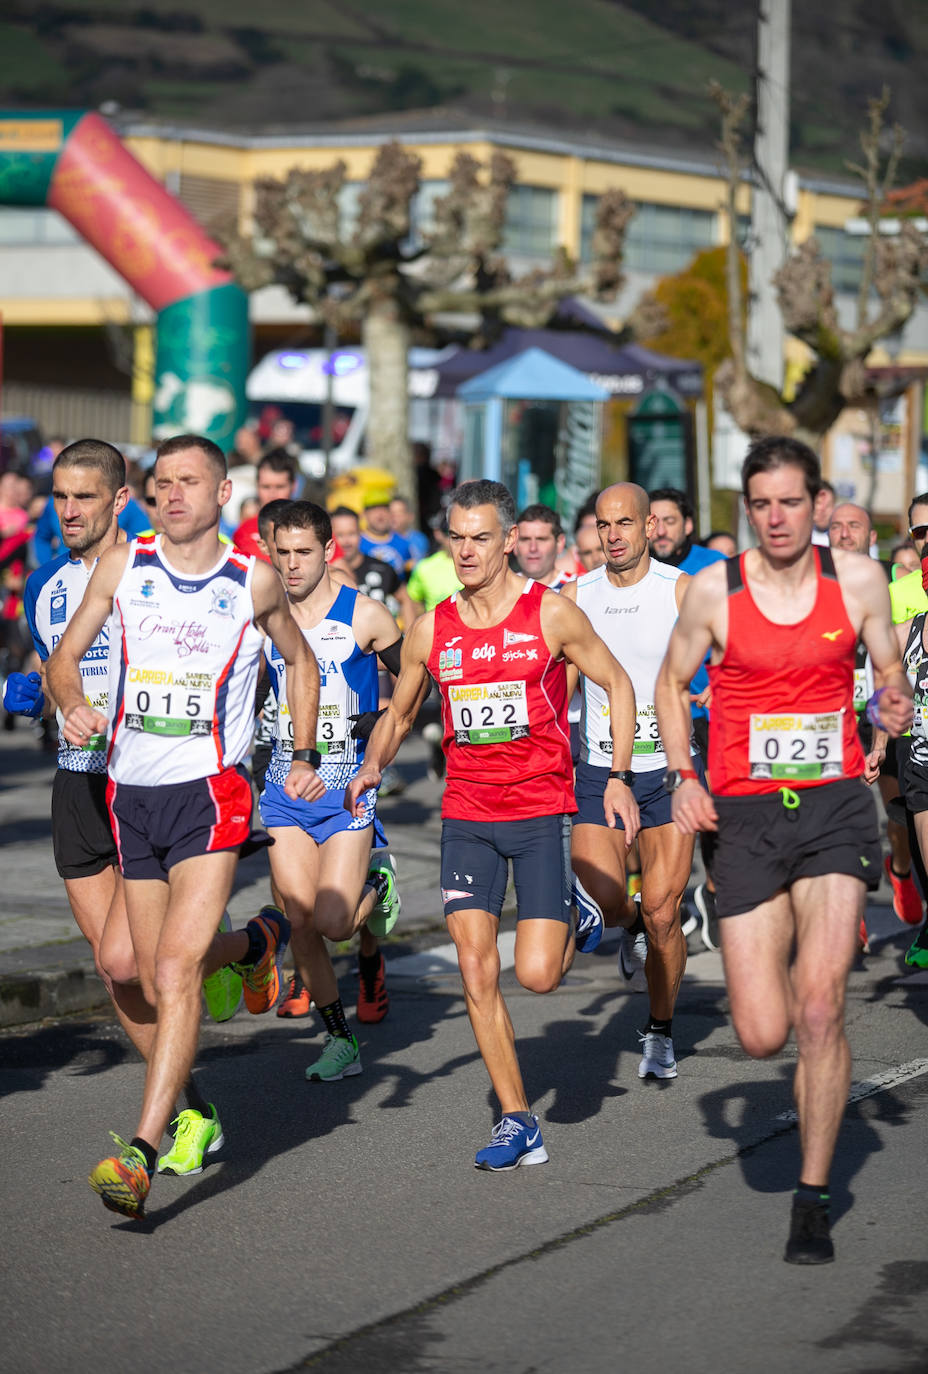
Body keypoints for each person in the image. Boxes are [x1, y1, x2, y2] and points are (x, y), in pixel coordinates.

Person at [47, 433, 326, 1221]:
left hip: (211, 795)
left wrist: (301, 752)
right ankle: (262, 942)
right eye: (162, 482)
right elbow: (63, 660)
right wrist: (72, 704)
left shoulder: (252, 582)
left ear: (223, 492)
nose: (173, 495)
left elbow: (300, 663)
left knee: (173, 973)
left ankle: (142, 1149)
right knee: (131, 967)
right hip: (131, 794)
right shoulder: (123, 567)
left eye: (188, 482)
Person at [655, 434, 911, 1265]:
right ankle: (791, 1051)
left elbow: (886, 669)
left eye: (791, 502)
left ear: (819, 504)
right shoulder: (712, 593)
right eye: (761, 503)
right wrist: (683, 774)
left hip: (835, 806)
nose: (776, 517)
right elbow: (669, 681)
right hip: (747, 815)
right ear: (747, 507)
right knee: (764, 1033)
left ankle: (811, 1194)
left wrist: (894, 702)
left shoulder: (861, 580)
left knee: (821, 1005)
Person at [346, 478, 640, 1170]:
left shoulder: (552, 615)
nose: (467, 550)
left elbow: (619, 682)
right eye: (457, 537)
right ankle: (516, 1118)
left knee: (537, 975)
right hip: (468, 816)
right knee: (477, 967)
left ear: (510, 541)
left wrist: (620, 774)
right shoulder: (432, 627)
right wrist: (370, 767)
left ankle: (583, 914)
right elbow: (400, 711)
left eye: (481, 537)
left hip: (540, 813)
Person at [7, 438, 253, 1170]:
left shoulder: (164, 565)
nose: (69, 510)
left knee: (137, 958)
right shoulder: (45, 587)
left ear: (122, 499)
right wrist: (42, 695)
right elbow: (53, 667)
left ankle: (251, 945)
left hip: (161, 781)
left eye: (86, 496)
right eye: (59, 497)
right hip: (79, 782)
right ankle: (190, 1109)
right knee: (115, 968)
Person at [565, 483, 702, 1079]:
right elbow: (560, 687)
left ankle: (661, 1028)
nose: (613, 535)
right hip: (599, 767)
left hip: (668, 770)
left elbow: (721, 667)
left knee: (665, 914)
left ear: (651, 527)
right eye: (603, 525)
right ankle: (626, 923)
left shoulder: (682, 591)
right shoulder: (577, 595)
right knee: (609, 900)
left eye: (625, 523)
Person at [261, 501, 403, 1071]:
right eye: (282, 552)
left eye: (303, 553)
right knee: (299, 921)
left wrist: (383, 716)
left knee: (336, 924)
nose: (292, 565)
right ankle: (340, 1039)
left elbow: (423, 686)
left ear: (328, 552)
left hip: (346, 790)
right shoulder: (264, 616)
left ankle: (376, 880)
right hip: (285, 788)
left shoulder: (366, 616)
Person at [828, 502, 921, 936]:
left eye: (854, 526)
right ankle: (850, 911)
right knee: (838, 816)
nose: (844, 534)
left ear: (871, 538)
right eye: (836, 527)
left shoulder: (899, 583)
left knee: (897, 816)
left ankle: (900, 867)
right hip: (831, 716)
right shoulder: (809, 585)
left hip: (883, 713)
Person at [649, 487, 726, 949]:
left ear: (688, 525)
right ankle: (661, 899)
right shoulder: (635, 571)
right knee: (660, 808)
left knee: (714, 807)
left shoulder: (711, 569)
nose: (659, 529)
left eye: (670, 521)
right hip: (654, 709)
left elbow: (735, 630)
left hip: (707, 707)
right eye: (652, 520)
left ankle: (714, 890)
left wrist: (725, 679)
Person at [233, 449, 299, 561]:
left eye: (280, 487)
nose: (272, 495)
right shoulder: (243, 531)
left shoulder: (312, 527)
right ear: (256, 486)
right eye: (266, 487)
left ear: (294, 486)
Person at [514, 503, 575, 588]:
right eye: (525, 539)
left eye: (541, 539)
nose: (533, 548)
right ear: (514, 544)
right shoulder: (499, 592)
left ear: (559, 543)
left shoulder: (579, 590)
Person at [360, 497, 411, 578]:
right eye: (374, 510)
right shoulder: (356, 543)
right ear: (364, 514)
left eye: (384, 509)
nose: (380, 515)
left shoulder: (402, 542)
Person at [389, 494, 430, 564]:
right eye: (391, 513)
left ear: (410, 516)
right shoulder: (382, 540)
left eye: (398, 513)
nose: (393, 517)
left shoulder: (420, 539)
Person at [811, 478, 836, 547]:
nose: (823, 511)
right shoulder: (800, 538)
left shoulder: (842, 538)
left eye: (828, 505)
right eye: (818, 504)